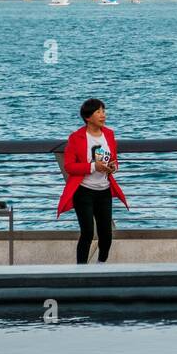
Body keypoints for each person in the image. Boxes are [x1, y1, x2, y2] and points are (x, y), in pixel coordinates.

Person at [56, 99, 128, 264]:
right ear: (88, 117)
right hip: (83, 191)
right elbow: (69, 166)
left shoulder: (109, 134)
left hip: (104, 190)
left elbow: (114, 160)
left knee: (106, 235)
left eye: (103, 111)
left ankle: (100, 266)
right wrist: (93, 166)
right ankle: (81, 270)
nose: (103, 115)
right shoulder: (76, 137)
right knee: (87, 232)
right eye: (98, 112)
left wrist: (112, 168)